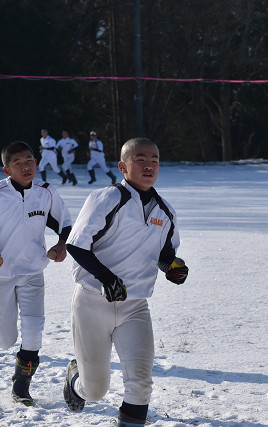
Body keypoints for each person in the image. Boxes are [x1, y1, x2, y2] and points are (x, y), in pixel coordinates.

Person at [62, 138, 189, 426]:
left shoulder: (166, 211)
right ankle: (75, 380)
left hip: (135, 307)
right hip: (92, 302)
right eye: (140, 159)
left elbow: (165, 255)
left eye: (154, 160)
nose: (149, 165)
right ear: (123, 166)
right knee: (95, 391)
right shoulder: (107, 198)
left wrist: (173, 269)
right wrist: (106, 277)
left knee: (141, 383)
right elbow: (76, 244)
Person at [0, 140, 72, 406]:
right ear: (7, 170)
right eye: (18, 163)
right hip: (0, 273)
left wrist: (61, 244)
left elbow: (66, 223)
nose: (26, 167)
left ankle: (21, 387)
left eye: (30, 161)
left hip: (33, 270)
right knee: (5, 341)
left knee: (34, 331)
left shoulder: (46, 192)